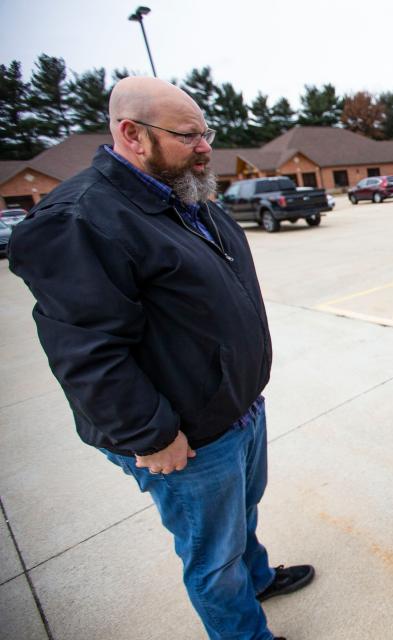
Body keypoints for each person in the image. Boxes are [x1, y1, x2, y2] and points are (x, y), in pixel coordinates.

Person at [8, 77, 313, 640]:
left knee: (241, 519)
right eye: (188, 135)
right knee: (212, 559)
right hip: (184, 440)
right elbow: (87, 352)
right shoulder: (79, 220)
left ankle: (259, 576)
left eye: (206, 133)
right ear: (130, 134)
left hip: (236, 410)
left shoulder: (184, 197)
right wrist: (151, 435)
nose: (205, 147)